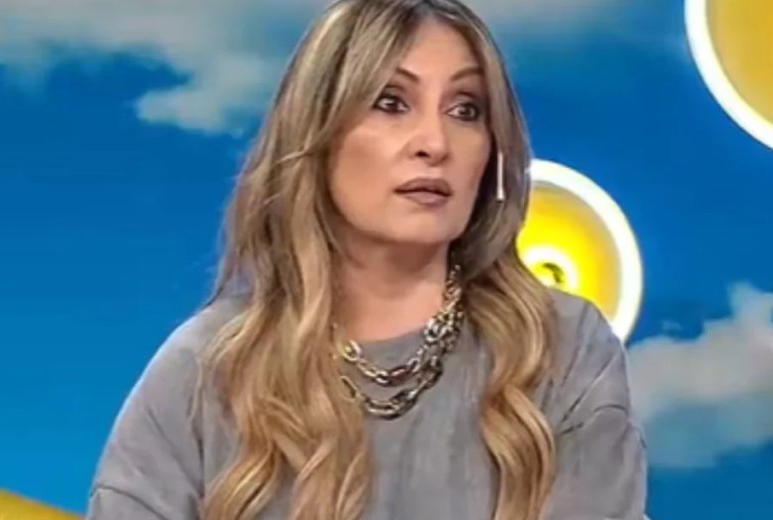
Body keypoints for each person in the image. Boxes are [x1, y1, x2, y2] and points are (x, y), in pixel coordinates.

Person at [84, 0, 647, 519]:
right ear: (316, 132)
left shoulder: (562, 349)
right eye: (391, 103)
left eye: (465, 109)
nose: (435, 143)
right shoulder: (204, 371)